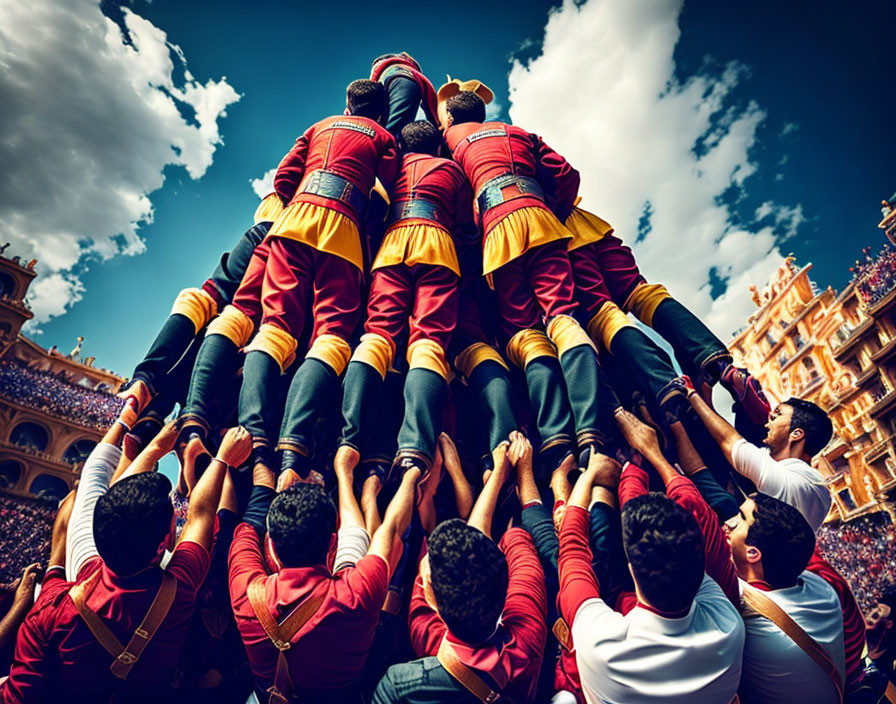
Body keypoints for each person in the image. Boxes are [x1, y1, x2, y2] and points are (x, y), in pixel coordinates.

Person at [180, 79, 400, 476]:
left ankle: (250, 438)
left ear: (348, 107)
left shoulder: (318, 126)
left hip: (292, 223)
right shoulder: (384, 135)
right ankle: (293, 450)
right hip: (343, 233)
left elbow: (284, 179)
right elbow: (390, 193)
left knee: (274, 329)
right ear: (381, 114)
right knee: (331, 336)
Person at [1, 423, 251, 702]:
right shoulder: (176, 589)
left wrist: (221, 460)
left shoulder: (54, 605)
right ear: (162, 546)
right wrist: (222, 456)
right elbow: (201, 515)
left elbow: (17, 697)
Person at [442, 90, 606, 463]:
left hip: (498, 231)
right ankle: (591, 430)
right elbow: (566, 174)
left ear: (450, 119)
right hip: (541, 219)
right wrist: (550, 210)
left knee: (525, 333)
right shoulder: (518, 133)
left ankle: (555, 438)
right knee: (563, 316)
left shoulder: (453, 138)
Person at [558, 410, 745, 704]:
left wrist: (588, 476)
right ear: (700, 573)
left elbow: (571, 552)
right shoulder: (727, 626)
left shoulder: (604, 646)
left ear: (632, 570)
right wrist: (638, 466)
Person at [228, 448, 420, 702]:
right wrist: (413, 475)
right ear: (332, 544)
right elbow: (391, 529)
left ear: (271, 545)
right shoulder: (355, 592)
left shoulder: (246, 591)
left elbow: (247, 528)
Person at [339, 120, 471, 483]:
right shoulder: (453, 170)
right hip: (439, 247)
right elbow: (465, 224)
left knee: (377, 337)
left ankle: (349, 438)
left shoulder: (393, 168)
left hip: (392, 246)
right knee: (428, 344)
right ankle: (414, 447)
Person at [372, 443, 547, 703]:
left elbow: (426, 577)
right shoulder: (528, 633)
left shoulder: (404, 676)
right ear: (506, 590)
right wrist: (498, 475)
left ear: (432, 602)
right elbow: (516, 540)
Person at [118, 193, 284, 417]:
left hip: (268, 226)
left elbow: (285, 179)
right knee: (255, 325)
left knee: (208, 301)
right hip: (301, 244)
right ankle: (186, 414)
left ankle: (146, 380)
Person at [688, 386, 833, 532]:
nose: (769, 421)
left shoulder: (781, 480)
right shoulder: (822, 493)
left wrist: (691, 393)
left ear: (796, 434)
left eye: (777, 415)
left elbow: (729, 441)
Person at [370, 53, 438, 136]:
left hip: (402, 83)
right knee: (390, 134)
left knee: (388, 135)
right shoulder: (401, 73)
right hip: (404, 82)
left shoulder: (386, 74)